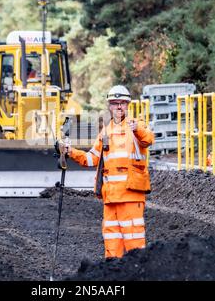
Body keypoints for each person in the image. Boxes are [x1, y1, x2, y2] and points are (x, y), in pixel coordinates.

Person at [60, 85, 155, 259]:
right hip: (110, 199)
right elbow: (92, 159)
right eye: (114, 103)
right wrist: (70, 152)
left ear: (128, 105)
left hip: (131, 196)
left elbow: (148, 139)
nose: (119, 107)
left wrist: (137, 129)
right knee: (112, 246)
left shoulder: (136, 126)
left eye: (122, 103)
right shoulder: (106, 132)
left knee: (135, 247)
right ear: (109, 106)